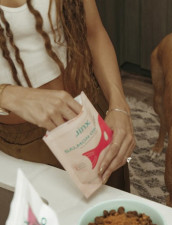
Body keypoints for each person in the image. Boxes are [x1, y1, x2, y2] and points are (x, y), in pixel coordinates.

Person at [0, 0, 135, 192]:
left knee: (114, 208)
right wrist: (8, 95)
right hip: (28, 139)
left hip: (88, 107)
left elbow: (94, 33)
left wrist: (119, 105)